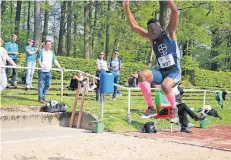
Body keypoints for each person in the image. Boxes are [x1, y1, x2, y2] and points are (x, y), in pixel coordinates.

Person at [123, 0, 181, 122]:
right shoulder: (151, 38)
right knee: (142, 75)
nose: (151, 33)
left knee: (165, 85)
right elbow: (134, 27)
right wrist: (126, 8)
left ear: (159, 26)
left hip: (174, 72)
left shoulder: (170, 33)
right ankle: (150, 107)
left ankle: (173, 109)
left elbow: (175, 12)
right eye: (149, 31)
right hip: (161, 72)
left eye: (153, 30)